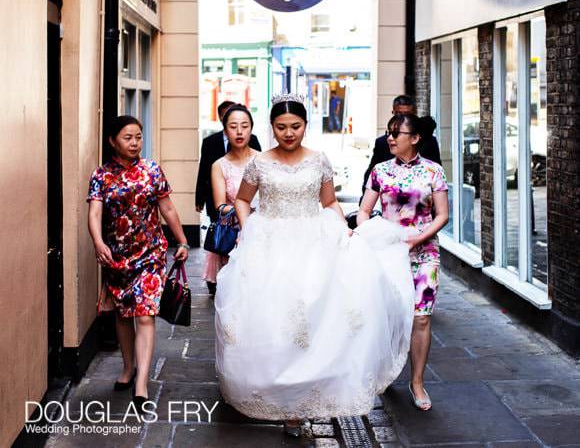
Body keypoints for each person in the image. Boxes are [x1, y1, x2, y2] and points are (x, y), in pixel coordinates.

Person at [214, 94, 415, 436]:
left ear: (306, 125)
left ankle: (306, 397)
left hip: (313, 241)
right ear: (272, 128)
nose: (288, 133)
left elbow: (330, 201)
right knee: (274, 323)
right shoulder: (259, 163)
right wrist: (249, 231)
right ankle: (285, 401)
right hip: (270, 245)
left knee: (316, 318)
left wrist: (344, 229)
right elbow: (243, 200)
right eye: (281, 127)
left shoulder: (319, 160)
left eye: (295, 127)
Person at [87, 116, 190, 411]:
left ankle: (142, 382)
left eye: (138, 137)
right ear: (112, 141)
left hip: (151, 253)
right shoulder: (101, 175)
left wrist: (181, 241)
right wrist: (98, 242)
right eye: (128, 138)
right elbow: (95, 214)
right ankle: (127, 367)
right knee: (123, 315)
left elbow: (166, 207)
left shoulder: (152, 170)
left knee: (145, 315)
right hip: (117, 257)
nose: (134, 143)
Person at [358, 113, 449, 411]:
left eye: (398, 133)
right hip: (387, 253)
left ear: (415, 138)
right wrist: (373, 234)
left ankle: (417, 381)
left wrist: (417, 238)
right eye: (389, 132)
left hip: (424, 254)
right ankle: (382, 375)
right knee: (387, 315)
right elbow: (363, 211)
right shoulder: (380, 171)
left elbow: (442, 215)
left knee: (421, 317)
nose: (391, 138)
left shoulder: (434, 171)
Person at [196, 100, 261, 294]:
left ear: (251, 129)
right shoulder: (219, 165)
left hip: (261, 232)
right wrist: (242, 214)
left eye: (244, 126)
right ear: (225, 130)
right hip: (233, 236)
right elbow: (220, 206)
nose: (239, 132)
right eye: (233, 127)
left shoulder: (263, 160)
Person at [361, 95, 441, 195]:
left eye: (407, 115)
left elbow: (437, 180)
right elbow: (371, 176)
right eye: (399, 115)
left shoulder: (429, 142)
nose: (402, 119)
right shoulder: (382, 143)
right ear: (393, 113)